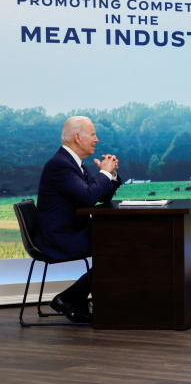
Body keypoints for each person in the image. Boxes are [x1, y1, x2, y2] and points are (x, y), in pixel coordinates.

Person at [36, 116, 122, 323]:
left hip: (71, 231)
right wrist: (103, 172)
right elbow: (88, 197)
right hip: (60, 238)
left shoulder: (73, 163)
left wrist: (111, 175)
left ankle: (73, 298)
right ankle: (69, 298)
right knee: (118, 248)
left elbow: (99, 195)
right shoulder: (61, 165)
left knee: (120, 244)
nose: (97, 139)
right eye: (92, 134)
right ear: (77, 137)